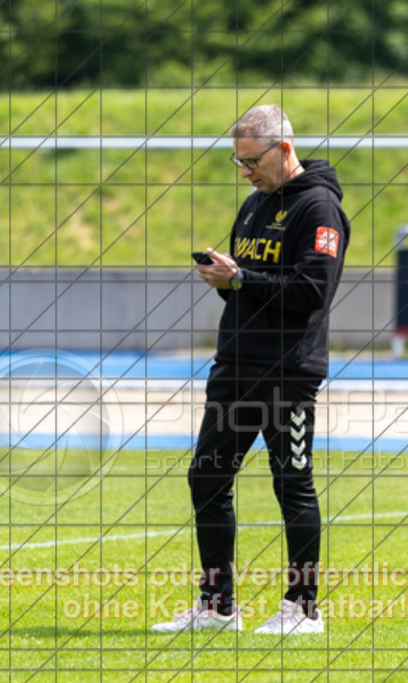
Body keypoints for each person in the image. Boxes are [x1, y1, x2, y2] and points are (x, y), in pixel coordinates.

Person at [152, 105, 350, 635]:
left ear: (284, 149)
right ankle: (217, 605)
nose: (244, 172)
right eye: (237, 162)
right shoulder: (252, 205)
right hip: (235, 365)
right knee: (207, 477)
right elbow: (254, 281)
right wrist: (227, 280)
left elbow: (313, 293)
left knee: (292, 483)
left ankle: (302, 607)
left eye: (251, 161)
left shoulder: (320, 208)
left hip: (287, 371)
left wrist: (241, 281)